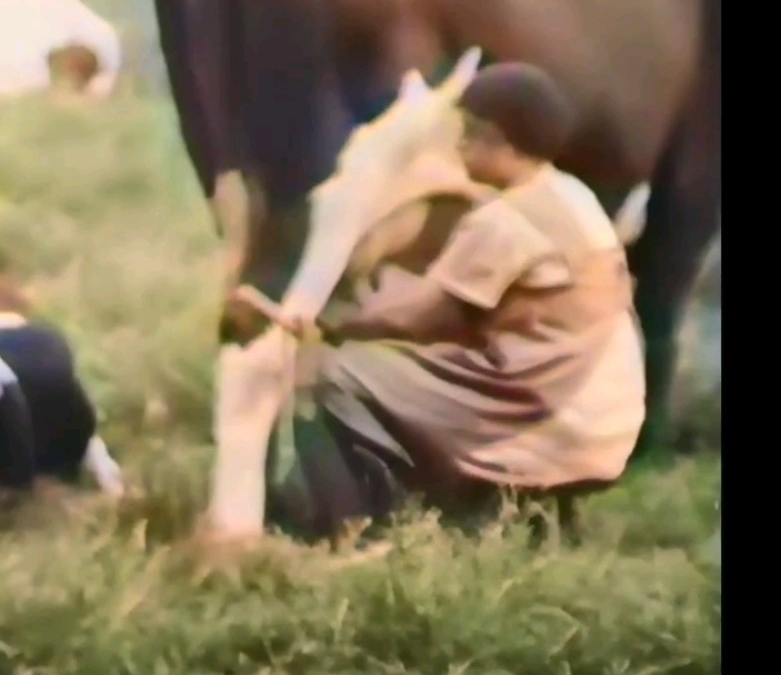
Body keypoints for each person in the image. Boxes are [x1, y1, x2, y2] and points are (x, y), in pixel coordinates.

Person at [271, 62, 647, 541]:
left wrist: (336, 321)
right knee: (435, 369)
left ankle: (356, 523)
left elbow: (421, 319)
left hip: (554, 424)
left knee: (333, 373)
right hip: (609, 421)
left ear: (503, 143)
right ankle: (527, 510)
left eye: (469, 136)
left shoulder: (503, 222)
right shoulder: (572, 194)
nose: (460, 149)